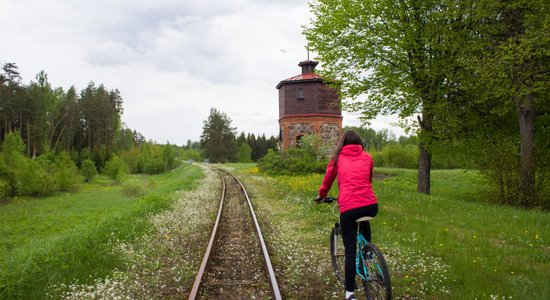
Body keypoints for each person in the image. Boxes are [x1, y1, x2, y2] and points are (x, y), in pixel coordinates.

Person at [316, 129, 378, 300]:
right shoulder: (368, 157)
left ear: (342, 143)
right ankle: (368, 252)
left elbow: (327, 182)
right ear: (359, 143)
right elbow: (368, 179)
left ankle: (349, 293)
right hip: (371, 205)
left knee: (350, 251)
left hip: (349, 207)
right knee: (363, 213)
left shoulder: (337, 158)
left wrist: (321, 196)